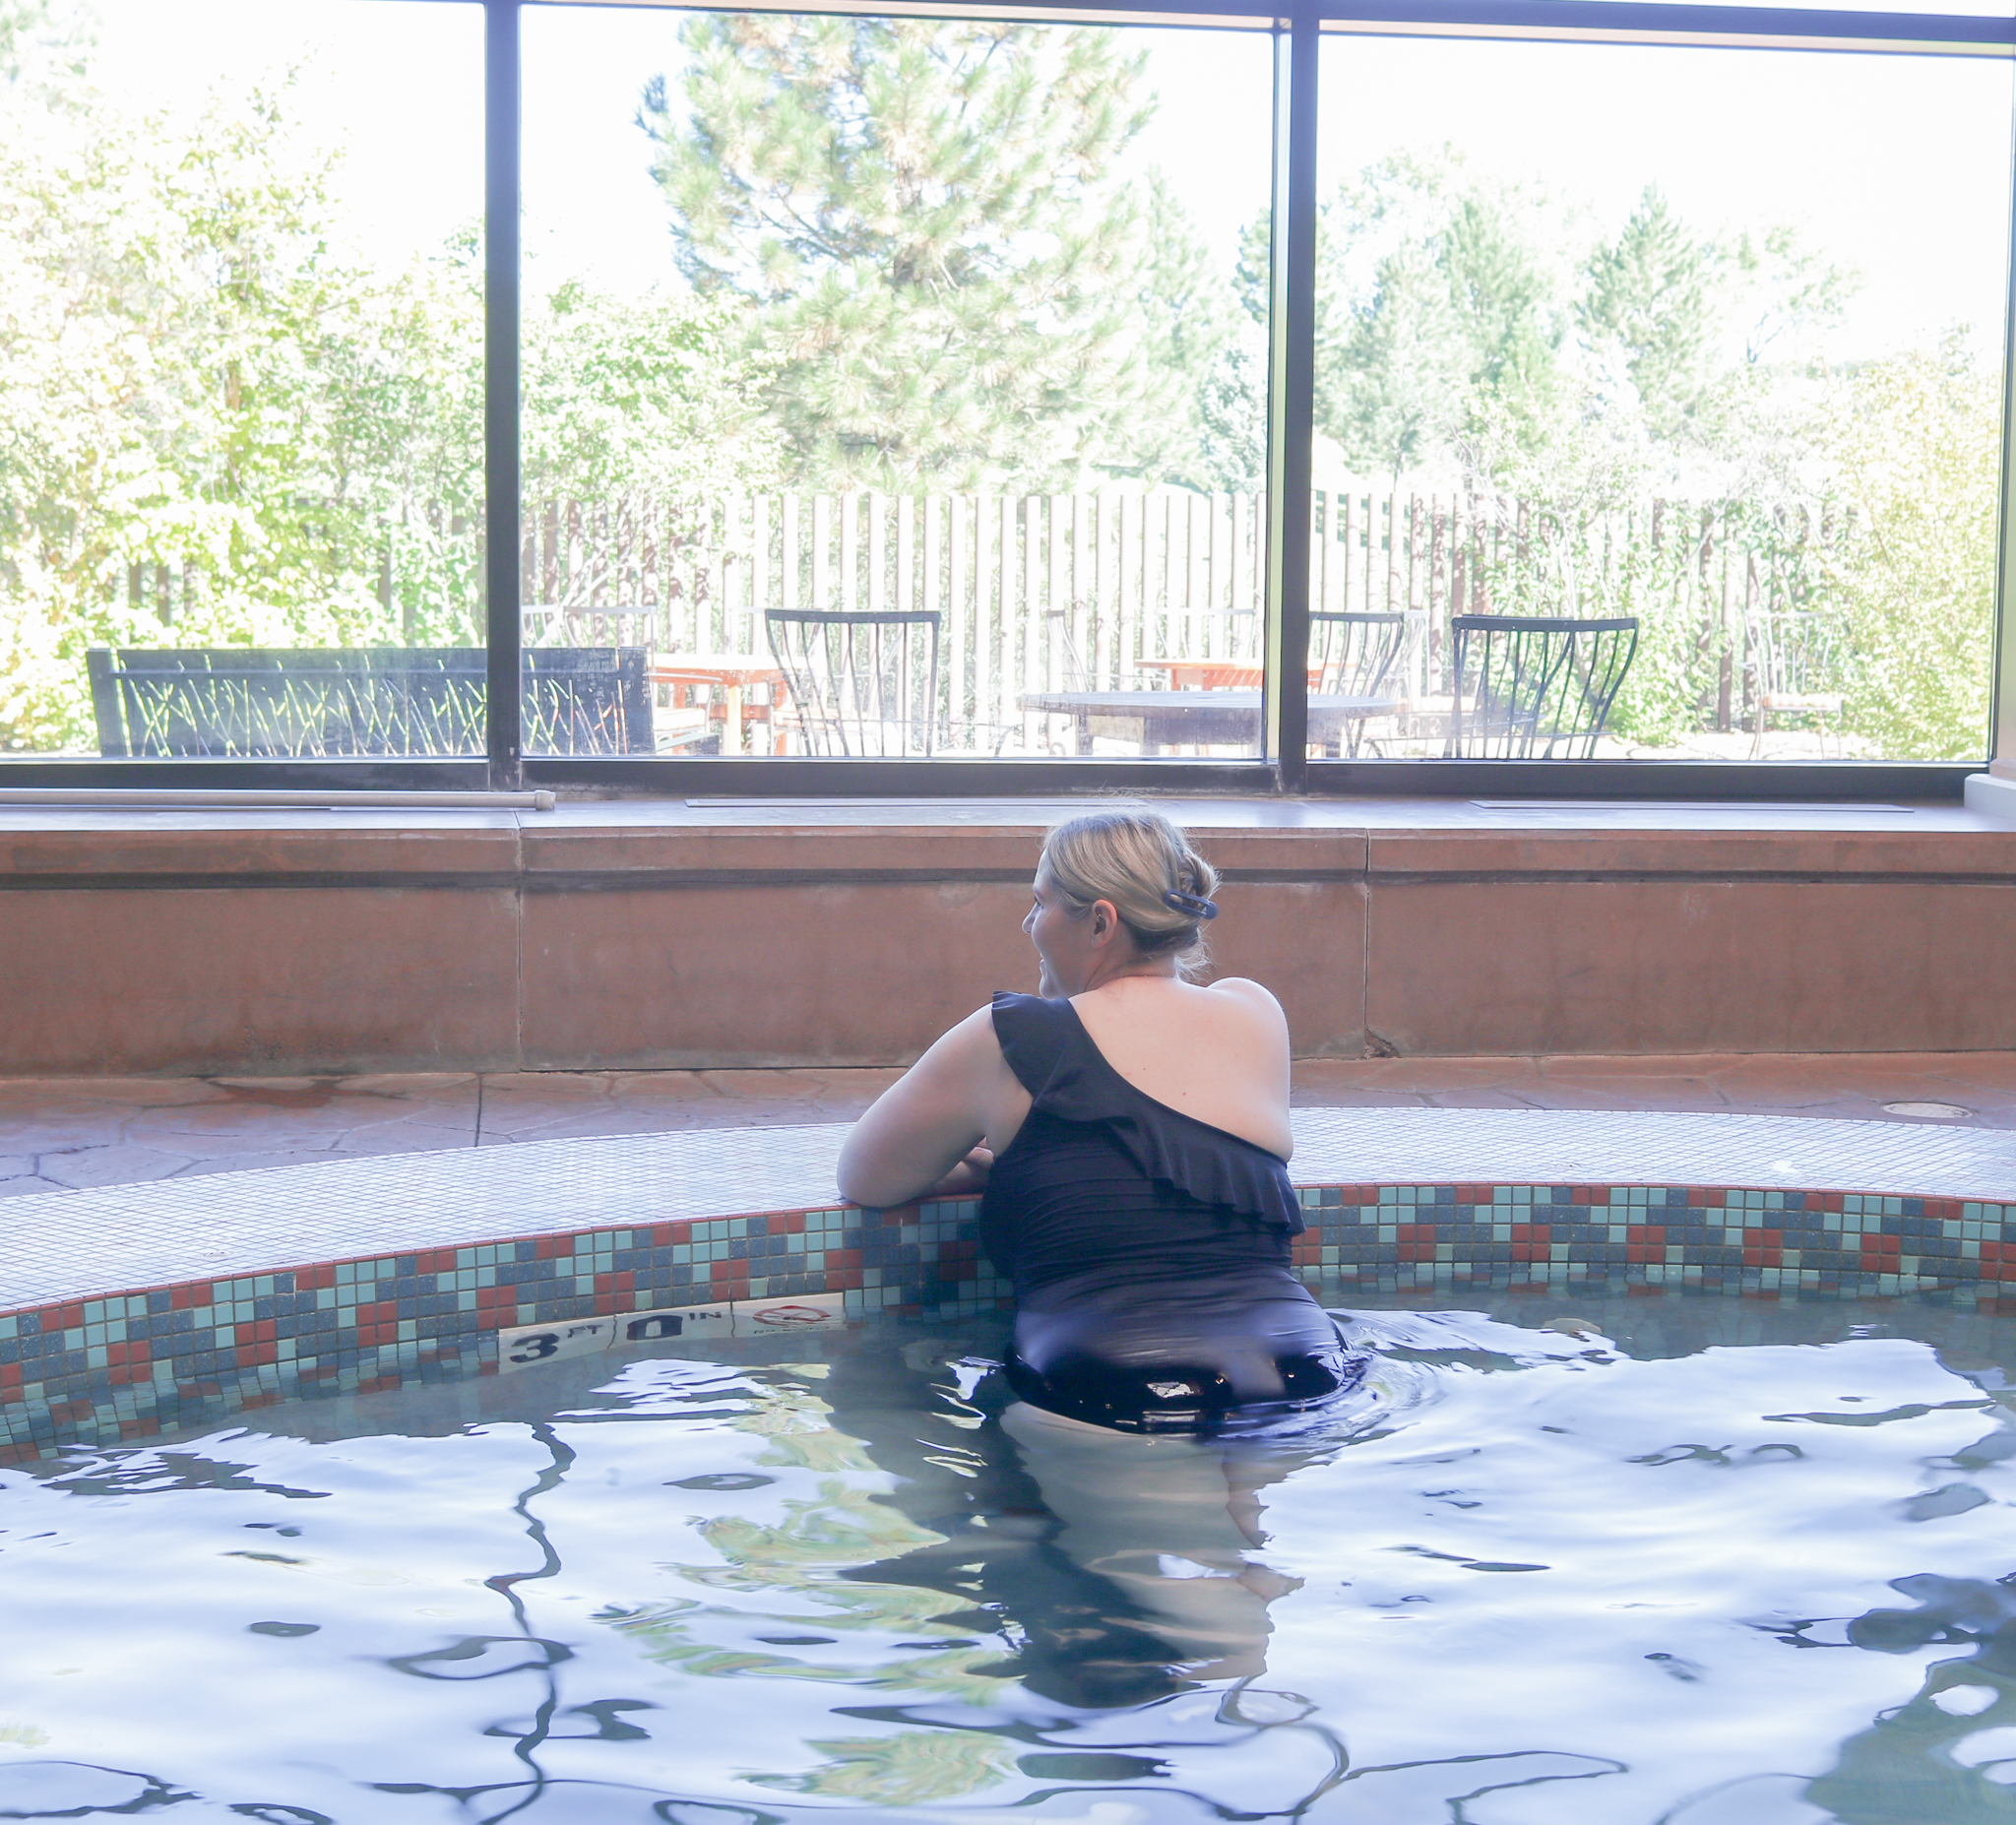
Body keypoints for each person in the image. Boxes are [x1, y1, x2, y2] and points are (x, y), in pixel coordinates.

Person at [837, 808, 1363, 1435]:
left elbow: (865, 1177)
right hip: (1309, 1371)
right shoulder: (1256, 1015)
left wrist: (994, 1164)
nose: (1028, 924)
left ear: (1100, 922)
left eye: (1040, 903)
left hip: (1114, 1386)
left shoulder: (1013, 1038)